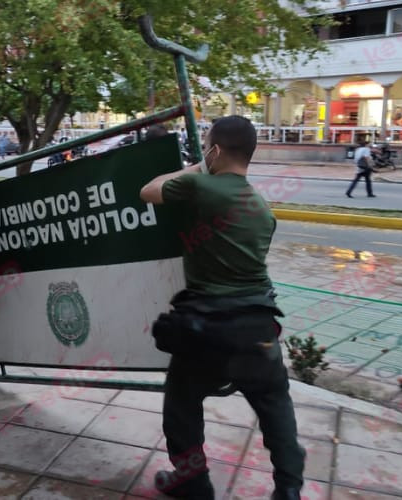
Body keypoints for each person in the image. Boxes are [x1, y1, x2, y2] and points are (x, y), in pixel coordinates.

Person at [140, 116, 306, 500]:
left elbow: (148, 191)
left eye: (206, 145)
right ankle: (289, 489)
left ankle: (194, 485)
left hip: (207, 329)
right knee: (276, 408)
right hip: (260, 327)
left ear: (214, 150)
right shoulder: (264, 210)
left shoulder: (201, 185)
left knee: (182, 407)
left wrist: (199, 164)